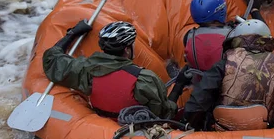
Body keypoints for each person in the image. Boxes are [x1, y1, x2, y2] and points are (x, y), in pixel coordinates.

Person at [43, 20, 182, 120]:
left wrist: (72, 34)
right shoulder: (145, 79)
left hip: (100, 125)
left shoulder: (87, 70)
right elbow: (164, 114)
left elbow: (51, 60)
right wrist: (178, 87)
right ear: (127, 50)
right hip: (135, 133)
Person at [183, 0, 266, 72]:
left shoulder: (188, 36)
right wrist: (255, 10)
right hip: (227, 82)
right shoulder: (233, 35)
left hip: (200, 82)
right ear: (221, 11)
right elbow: (266, 37)